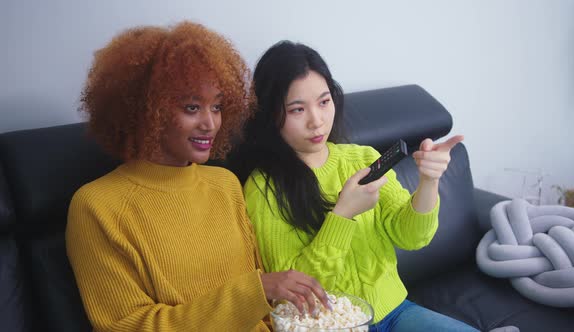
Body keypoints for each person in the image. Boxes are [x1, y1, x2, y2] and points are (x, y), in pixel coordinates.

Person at [66, 24, 330, 332]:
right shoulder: (97, 206)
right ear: (147, 111)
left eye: (217, 106)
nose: (210, 123)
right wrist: (256, 291)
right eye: (192, 107)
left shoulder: (225, 184)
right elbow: (129, 326)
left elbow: (264, 311)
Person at [229, 40, 476, 331]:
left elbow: (412, 237)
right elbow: (293, 292)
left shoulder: (363, 158)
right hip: (330, 323)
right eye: (297, 110)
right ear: (272, 115)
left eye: (324, 102)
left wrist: (429, 182)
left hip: (395, 311)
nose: (317, 121)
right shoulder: (263, 188)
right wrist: (342, 215)